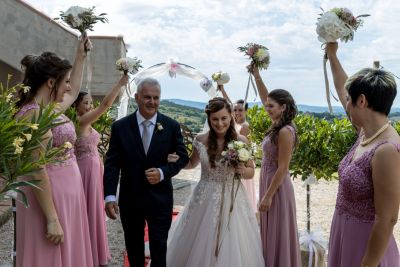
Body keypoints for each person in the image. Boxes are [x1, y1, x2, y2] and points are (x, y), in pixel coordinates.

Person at [15, 35, 93, 266]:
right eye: (65, 81)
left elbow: (75, 88)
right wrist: (51, 218)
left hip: (67, 196)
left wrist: (80, 55)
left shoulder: (47, 109)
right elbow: (36, 168)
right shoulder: (33, 114)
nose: (69, 88)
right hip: (48, 202)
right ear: (51, 83)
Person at [166, 97, 264, 267]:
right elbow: (191, 164)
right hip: (204, 196)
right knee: (199, 238)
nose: (219, 123)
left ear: (231, 116)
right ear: (209, 119)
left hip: (233, 198)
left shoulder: (241, 141)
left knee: (233, 241)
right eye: (215, 119)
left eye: (224, 118)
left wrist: (242, 171)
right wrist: (177, 161)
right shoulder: (200, 139)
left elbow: (250, 172)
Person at [326, 42, 400, 267]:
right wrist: (331, 53)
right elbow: (342, 88)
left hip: (364, 246)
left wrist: (367, 264)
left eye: (349, 100)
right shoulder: (366, 132)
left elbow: (387, 219)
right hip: (342, 232)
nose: (345, 103)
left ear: (362, 101)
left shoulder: (386, 149)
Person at [103, 77, 189, 267]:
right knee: (133, 248)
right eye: (147, 97)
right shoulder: (120, 127)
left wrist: (162, 172)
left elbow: (183, 158)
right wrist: (109, 196)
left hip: (160, 199)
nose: (152, 102)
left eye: (156, 98)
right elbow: (111, 164)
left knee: (159, 247)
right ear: (137, 97)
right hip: (130, 199)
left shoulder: (171, 126)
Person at [73, 75, 129, 266]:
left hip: (95, 171)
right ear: (76, 105)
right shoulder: (81, 122)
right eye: (86, 103)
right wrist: (120, 84)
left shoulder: (84, 122)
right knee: (87, 211)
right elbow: (105, 105)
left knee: (94, 211)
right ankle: (87, 255)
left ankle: (93, 252)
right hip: (85, 171)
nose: (89, 106)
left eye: (90, 102)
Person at [251, 66, 301, 266]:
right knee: (270, 230)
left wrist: (268, 196)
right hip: (268, 181)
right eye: (267, 105)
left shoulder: (285, 131)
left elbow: (283, 168)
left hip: (277, 188)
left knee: (277, 232)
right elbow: (266, 97)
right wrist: (256, 76)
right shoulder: (276, 125)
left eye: (271, 106)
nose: (267, 108)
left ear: (283, 107)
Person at [218, 84, 257, 212]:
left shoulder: (245, 126)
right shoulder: (234, 123)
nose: (237, 112)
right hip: (231, 160)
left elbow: (245, 150)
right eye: (235, 110)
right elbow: (229, 103)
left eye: (240, 110)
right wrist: (222, 89)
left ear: (246, 111)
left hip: (241, 163)